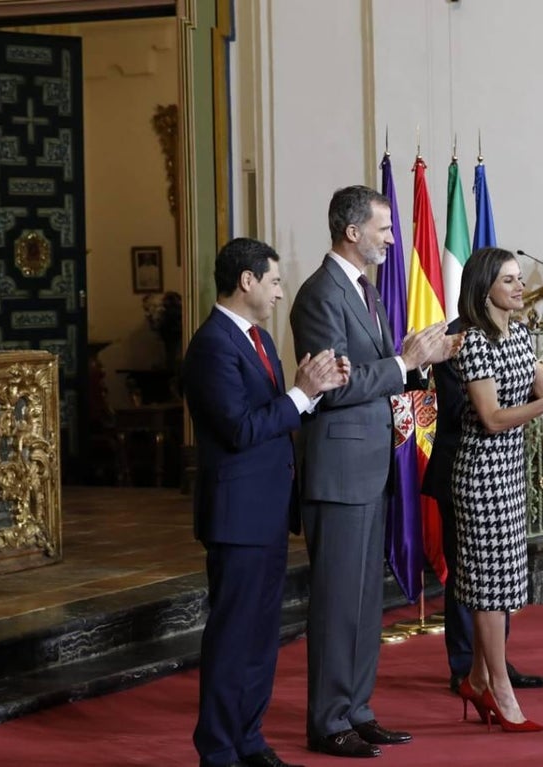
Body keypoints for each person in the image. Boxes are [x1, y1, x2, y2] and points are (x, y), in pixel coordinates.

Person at [290, 185, 457, 758]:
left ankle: (357, 710)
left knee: (364, 601)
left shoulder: (365, 291)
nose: (392, 237)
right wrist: (401, 362)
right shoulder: (319, 295)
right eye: (384, 227)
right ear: (352, 231)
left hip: (371, 467)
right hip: (338, 471)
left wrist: (414, 361)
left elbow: (374, 372)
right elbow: (330, 389)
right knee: (337, 601)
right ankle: (328, 719)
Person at [185, 237, 350, 767]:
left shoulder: (254, 339)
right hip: (237, 519)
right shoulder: (213, 345)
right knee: (233, 639)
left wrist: (313, 393)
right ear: (248, 281)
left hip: (269, 513)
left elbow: (277, 417)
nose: (281, 292)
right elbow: (238, 429)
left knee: (261, 639)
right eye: (275, 281)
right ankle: (218, 750)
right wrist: (300, 395)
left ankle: (249, 739)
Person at [450, 248, 543, 732]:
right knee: (488, 587)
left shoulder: (522, 334)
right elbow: (491, 418)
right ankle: (500, 691)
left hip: (509, 474)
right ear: (486, 289)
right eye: (510, 280)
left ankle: (477, 679)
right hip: (481, 474)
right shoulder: (473, 343)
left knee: (504, 583)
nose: (521, 286)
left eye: (519, 279)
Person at [419, 315, 543, 695]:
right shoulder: (462, 338)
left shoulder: (511, 332)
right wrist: (530, 397)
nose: (519, 288)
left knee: (495, 579)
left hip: (500, 473)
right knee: (468, 576)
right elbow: (475, 409)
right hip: (464, 467)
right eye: (508, 280)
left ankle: (494, 665)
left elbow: (509, 393)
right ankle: (466, 668)